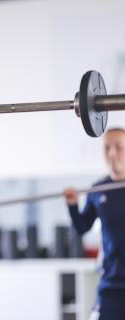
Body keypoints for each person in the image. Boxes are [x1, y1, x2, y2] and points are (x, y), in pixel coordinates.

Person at [63, 128, 125, 320]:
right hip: (112, 283)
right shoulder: (98, 190)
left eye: (119, 147)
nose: (112, 153)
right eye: (107, 148)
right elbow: (82, 227)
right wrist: (73, 206)